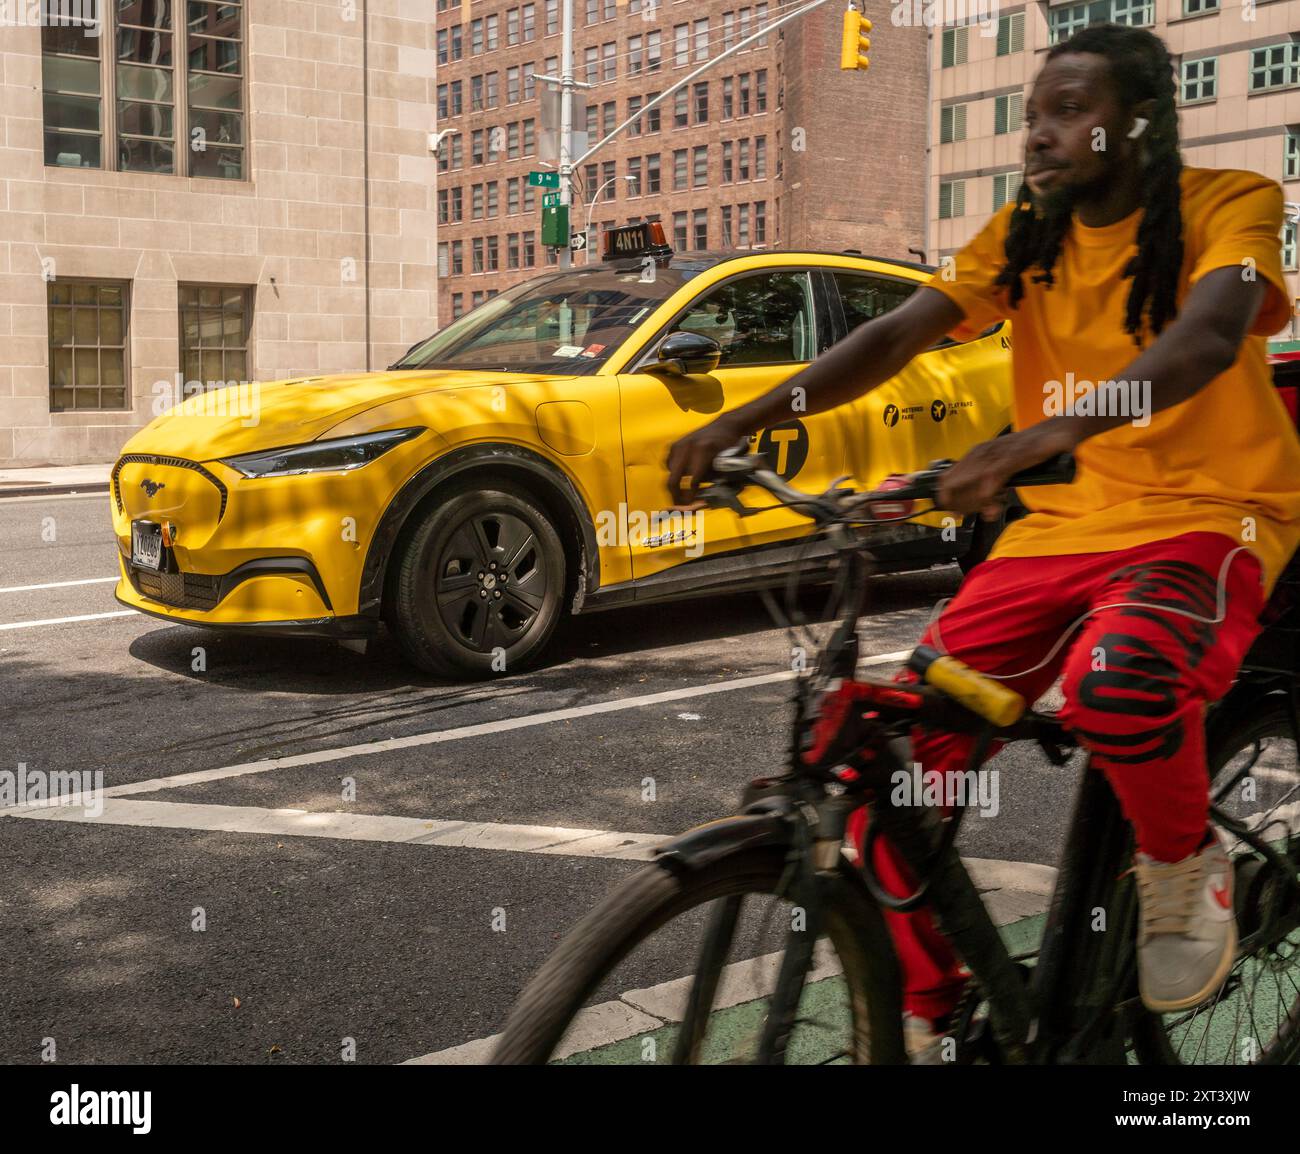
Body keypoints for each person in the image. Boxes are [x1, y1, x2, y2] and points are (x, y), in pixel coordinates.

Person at [666, 23, 1300, 1048]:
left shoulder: (1228, 203)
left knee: (1118, 684)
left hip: (1206, 514)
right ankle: (936, 1001)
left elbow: (1207, 335)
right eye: (1031, 115)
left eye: (1067, 110)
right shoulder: (1023, 233)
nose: (1038, 136)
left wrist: (1041, 435)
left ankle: (1183, 866)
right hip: (1058, 530)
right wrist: (750, 414)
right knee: (894, 759)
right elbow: (891, 334)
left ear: (1134, 123)